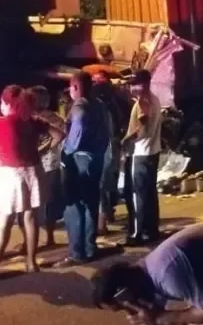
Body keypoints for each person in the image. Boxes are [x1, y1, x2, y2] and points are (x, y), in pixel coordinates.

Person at [0, 85, 44, 281]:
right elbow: (59, 134)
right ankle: (31, 263)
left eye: (2, 102)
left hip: (9, 174)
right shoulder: (33, 122)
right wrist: (39, 151)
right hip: (32, 172)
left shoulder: (0, 122)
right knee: (30, 219)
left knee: (3, 223)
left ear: (8, 103)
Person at [55, 71, 111, 267]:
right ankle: (89, 247)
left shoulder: (80, 105)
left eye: (71, 87)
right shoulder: (100, 105)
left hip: (79, 160)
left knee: (74, 206)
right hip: (96, 158)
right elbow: (108, 131)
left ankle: (76, 252)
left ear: (75, 87)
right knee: (91, 203)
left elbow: (77, 126)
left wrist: (68, 152)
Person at [121, 70, 164, 247]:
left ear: (145, 83)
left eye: (135, 83)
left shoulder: (143, 102)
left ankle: (136, 233)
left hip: (140, 153)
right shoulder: (155, 99)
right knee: (149, 193)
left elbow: (143, 124)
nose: (133, 87)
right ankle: (151, 230)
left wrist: (126, 139)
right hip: (153, 151)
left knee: (136, 195)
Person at [27, 86, 66, 247]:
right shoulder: (55, 118)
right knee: (48, 202)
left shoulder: (34, 118)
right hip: (50, 164)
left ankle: (34, 240)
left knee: (35, 203)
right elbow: (61, 137)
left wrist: (40, 150)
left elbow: (58, 137)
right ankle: (47, 237)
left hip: (41, 163)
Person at [92, 71, 123, 234]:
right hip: (113, 147)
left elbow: (109, 130)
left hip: (106, 148)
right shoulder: (113, 103)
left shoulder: (102, 107)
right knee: (109, 183)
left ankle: (102, 224)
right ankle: (108, 215)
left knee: (101, 187)